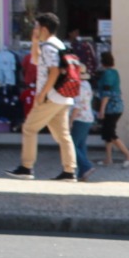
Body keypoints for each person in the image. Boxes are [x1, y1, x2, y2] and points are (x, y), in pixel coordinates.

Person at [6, 12, 78, 180]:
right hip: (63, 97)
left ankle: (26, 167)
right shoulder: (57, 44)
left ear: (43, 28)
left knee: (29, 128)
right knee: (63, 135)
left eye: (36, 27)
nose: (35, 29)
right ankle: (69, 171)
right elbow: (36, 61)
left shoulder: (48, 47)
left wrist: (42, 94)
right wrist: (35, 41)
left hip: (51, 97)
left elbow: (53, 71)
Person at [95, 51, 129, 168]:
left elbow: (106, 94)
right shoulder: (114, 72)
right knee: (107, 133)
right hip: (117, 106)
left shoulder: (107, 74)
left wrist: (101, 110)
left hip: (111, 107)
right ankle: (108, 158)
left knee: (110, 133)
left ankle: (128, 154)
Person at [70, 64, 96, 182]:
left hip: (80, 118)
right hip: (88, 117)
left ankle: (86, 166)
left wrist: (70, 121)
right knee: (81, 145)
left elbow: (77, 106)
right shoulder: (87, 85)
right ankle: (83, 172)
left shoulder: (78, 86)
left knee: (72, 145)